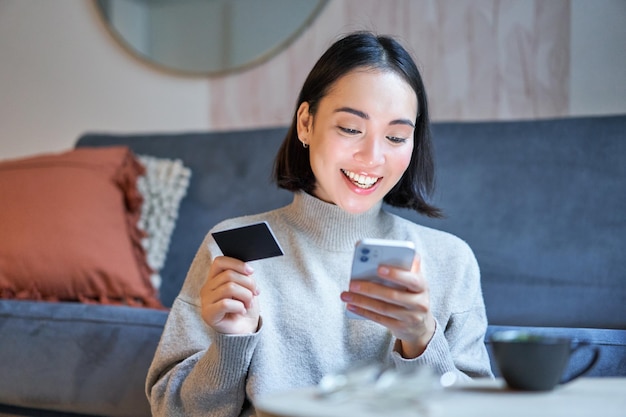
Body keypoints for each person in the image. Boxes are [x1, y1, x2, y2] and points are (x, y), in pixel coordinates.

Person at [146, 31, 493, 416]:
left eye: (396, 136)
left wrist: (422, 341)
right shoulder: (233, 249)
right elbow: (170, 410)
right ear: (306, 124)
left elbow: (481, 410)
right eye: (350, 128)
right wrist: (230, 345)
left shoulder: (450, 261)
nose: (372, 156)